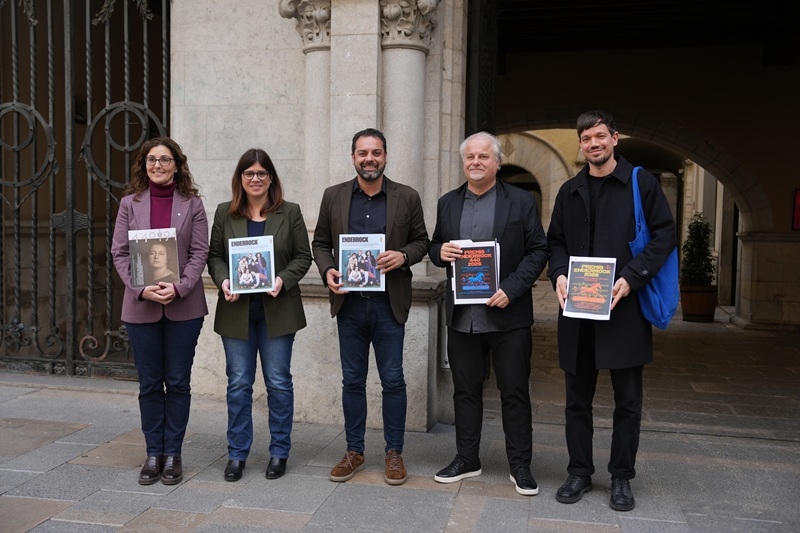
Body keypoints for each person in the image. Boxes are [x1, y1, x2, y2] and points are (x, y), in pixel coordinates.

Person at [546, 110, 677, 511]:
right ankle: (579, 471)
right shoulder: (569, 190)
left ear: (615, 138)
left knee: (628, 402)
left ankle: (622, 477)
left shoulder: (642, 182)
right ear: (581, 145)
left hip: (625, 309)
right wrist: (559, 276)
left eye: (600, 136)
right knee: (576, 400)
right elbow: (556, 243)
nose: (594, 144)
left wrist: (632, 277)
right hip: (579, 312)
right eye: (586, 139)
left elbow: (665, 234)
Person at [429, 131, 548, 496]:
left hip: (508, 316)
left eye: (483, 157)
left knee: (514, 391)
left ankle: (520, 466)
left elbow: (538, 250)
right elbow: (435, 246)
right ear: (463, 163)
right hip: (464, 316)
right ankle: (467, 459)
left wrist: (510, 289)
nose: (476, 163)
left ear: (497, 162)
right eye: (470, 157)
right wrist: (440, 253)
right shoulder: (448, 203)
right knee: (465, 391)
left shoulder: (521, 201)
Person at [312, 128, 429, 486]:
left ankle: (394, 453)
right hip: (349, 306)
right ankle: (355, 451)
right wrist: (328, 268)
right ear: (353, 157)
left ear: (386, 156)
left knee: (393, 380)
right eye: (363, 153)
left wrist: (403, 256)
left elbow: (423, 241)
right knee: (352, 380)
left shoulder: (406, 197)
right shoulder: (333, 196)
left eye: (376, 152)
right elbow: (319, 243)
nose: (369, 159)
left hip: (388, 304)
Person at [207, 148, 312, 482]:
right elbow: (214, 256)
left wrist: (283, 279)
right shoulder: (226, 213)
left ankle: (279, 451)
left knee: (279, 383)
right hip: (237, 310)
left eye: (261, 173)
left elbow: (303, 256)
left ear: (271, 178)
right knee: (238, 384)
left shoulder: (290, 212)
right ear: (240, 179)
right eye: (249, 174)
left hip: (277, 310)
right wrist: (223, 279)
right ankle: (237, 454)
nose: (255, 179)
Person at [111, 137, 209, 486]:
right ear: (144, 164)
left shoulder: (193, 204)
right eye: (152, 160)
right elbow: (120, 253)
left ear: (177, 165)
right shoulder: (129, 204)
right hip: (141, 307)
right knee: (150, 383)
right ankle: (154, 453)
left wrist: (179, 286)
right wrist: (142, 288)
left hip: (184, 307)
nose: (158, 165)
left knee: (178, 383)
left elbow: (200, 253)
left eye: (165, 160)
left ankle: (174, 456)